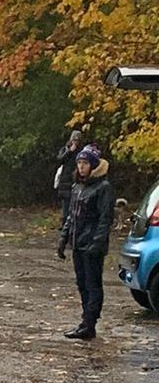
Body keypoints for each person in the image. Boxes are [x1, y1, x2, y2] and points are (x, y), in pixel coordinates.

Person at [57, 143, 115, 340]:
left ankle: (89, 323)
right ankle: (85, 321)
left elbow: (105, 219)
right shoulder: (77, 187)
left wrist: (97, 244)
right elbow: (71, 216)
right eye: (79, 163)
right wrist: (63, 239)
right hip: (78, 243)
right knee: (81, 282)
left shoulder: (103, 187)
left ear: (93, 165)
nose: (81, 166)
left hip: (92, 245)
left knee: (92, 284)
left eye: (85, 163)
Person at [53, 130, 82, 227]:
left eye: (77, 140)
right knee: (66, 205)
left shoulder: (82, 151)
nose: (75, 142)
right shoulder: (65, 149)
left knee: (76, 204)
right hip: (65, 180)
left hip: (76, 179)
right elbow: (59, 160)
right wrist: (69, 151)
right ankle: (64, 224)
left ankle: (74, 224)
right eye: (74, 140)